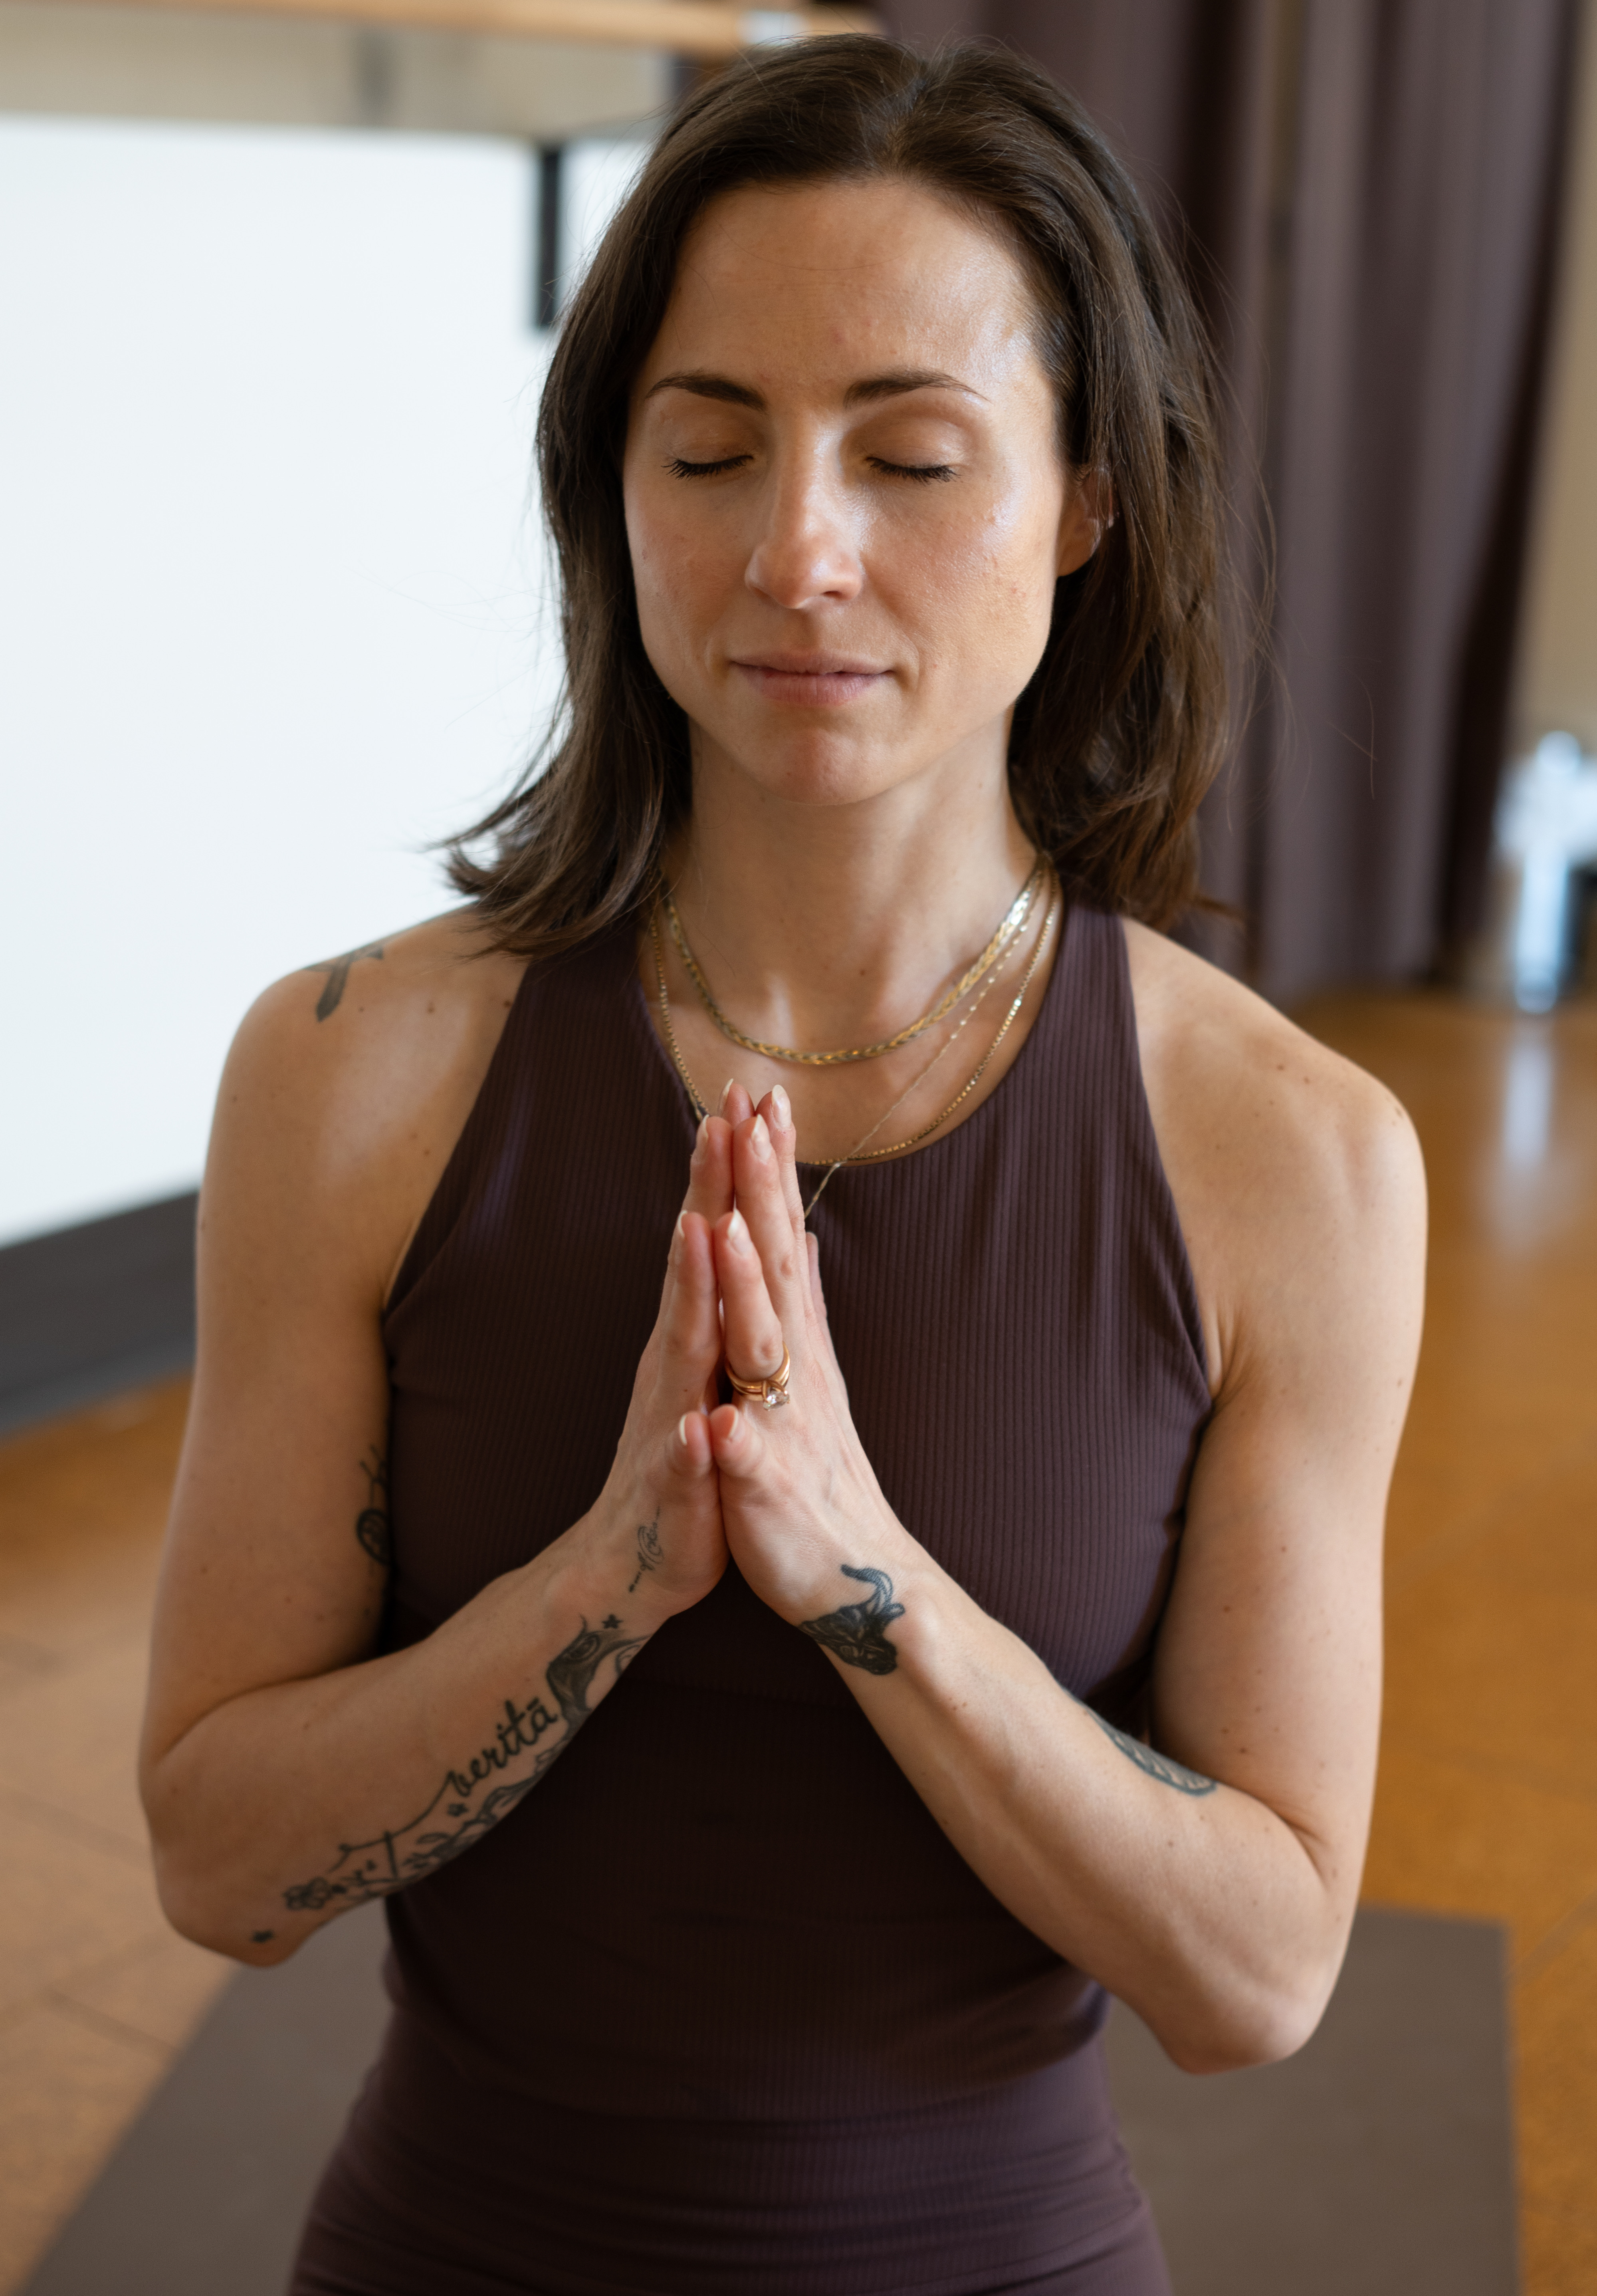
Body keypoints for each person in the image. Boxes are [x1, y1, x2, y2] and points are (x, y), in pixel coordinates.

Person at [139, 35, 1425, 2296]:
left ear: (1089, 498)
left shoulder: (1291, 1158)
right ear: (610, 489)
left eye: (911, 455)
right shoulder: (349, 1076)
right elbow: (217, 1863)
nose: (794, 549)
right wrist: (608, 1581)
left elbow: (1260, 1979)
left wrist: (864, 1584)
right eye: (708, 445)